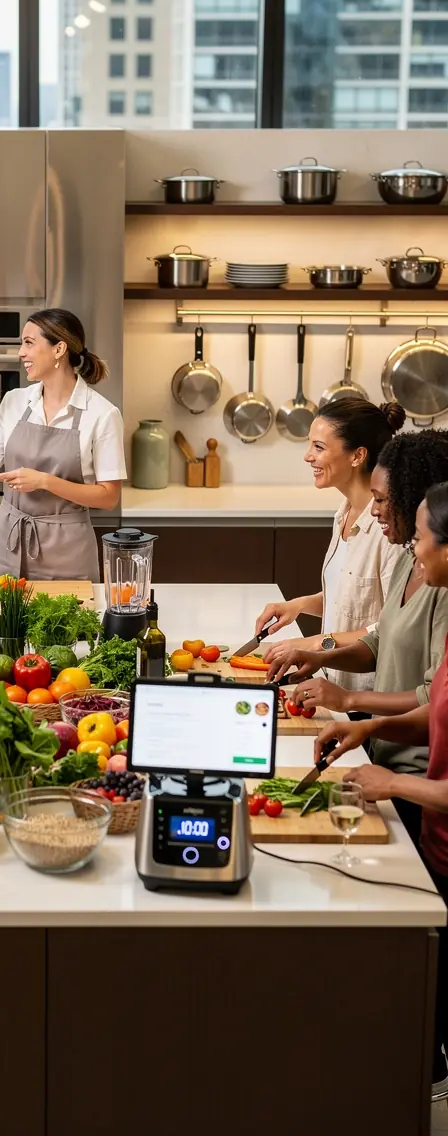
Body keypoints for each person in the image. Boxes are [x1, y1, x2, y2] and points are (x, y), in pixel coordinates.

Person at [312, 482, 448, 1096]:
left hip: (420, 799)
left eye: (420, 536)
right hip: (422, 812)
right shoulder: (412, 571)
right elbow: (429, 702)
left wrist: (392, 779)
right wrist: (367, 725)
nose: (411, 546)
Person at [269, 429, 448, 843]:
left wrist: (349, 701)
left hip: (415, 772)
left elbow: (432, 697)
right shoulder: (411, 559)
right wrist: (323, 658)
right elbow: (379, 641)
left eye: (381, 500)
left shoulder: (439, 584)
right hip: (384, 753)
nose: (375, 510)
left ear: (417, 501)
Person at [0, 309, 125, 582]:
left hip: (66, 554)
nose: (21, 353)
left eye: (29, 343)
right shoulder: (14, 401)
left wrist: (45, 481)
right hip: (7, 544)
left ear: (59, 349)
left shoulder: (102, 414)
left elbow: (109, 497)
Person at [256, 398, 406, 696]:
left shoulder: (389, 531)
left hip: (366, 698)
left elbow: (389, 627)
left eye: (319, 447)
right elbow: (354, 599)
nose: (307, 456)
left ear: (357, 455)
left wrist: (317, 642)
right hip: (332, 684)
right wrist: (299, 605)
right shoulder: (344, 513)